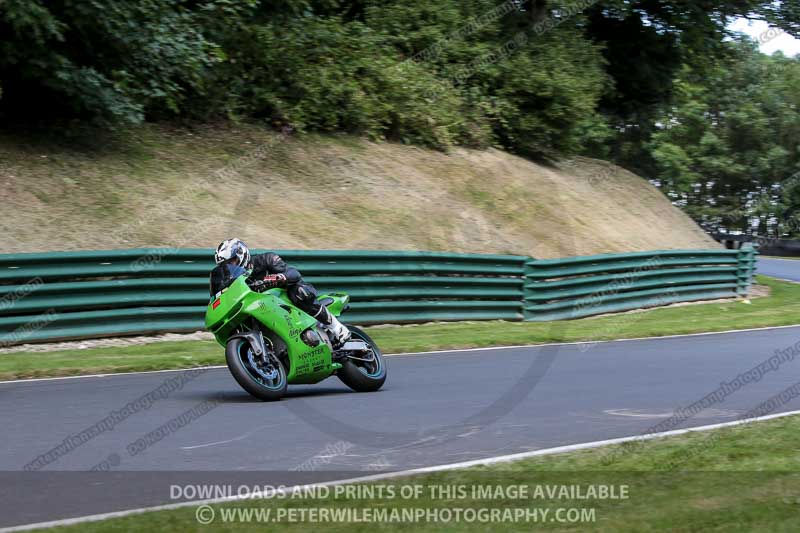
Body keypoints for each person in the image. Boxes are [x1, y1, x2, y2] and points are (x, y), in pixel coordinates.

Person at [213, 238, 351, 345]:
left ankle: (337, 328)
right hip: (266, 307)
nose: (230, 267)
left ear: (241, 254)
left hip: (290, 296)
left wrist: (280, 277)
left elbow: (294, 273)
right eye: (225, 266)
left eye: (232, 262)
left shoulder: (266, 259)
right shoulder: (233, 280)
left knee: (299, 292)